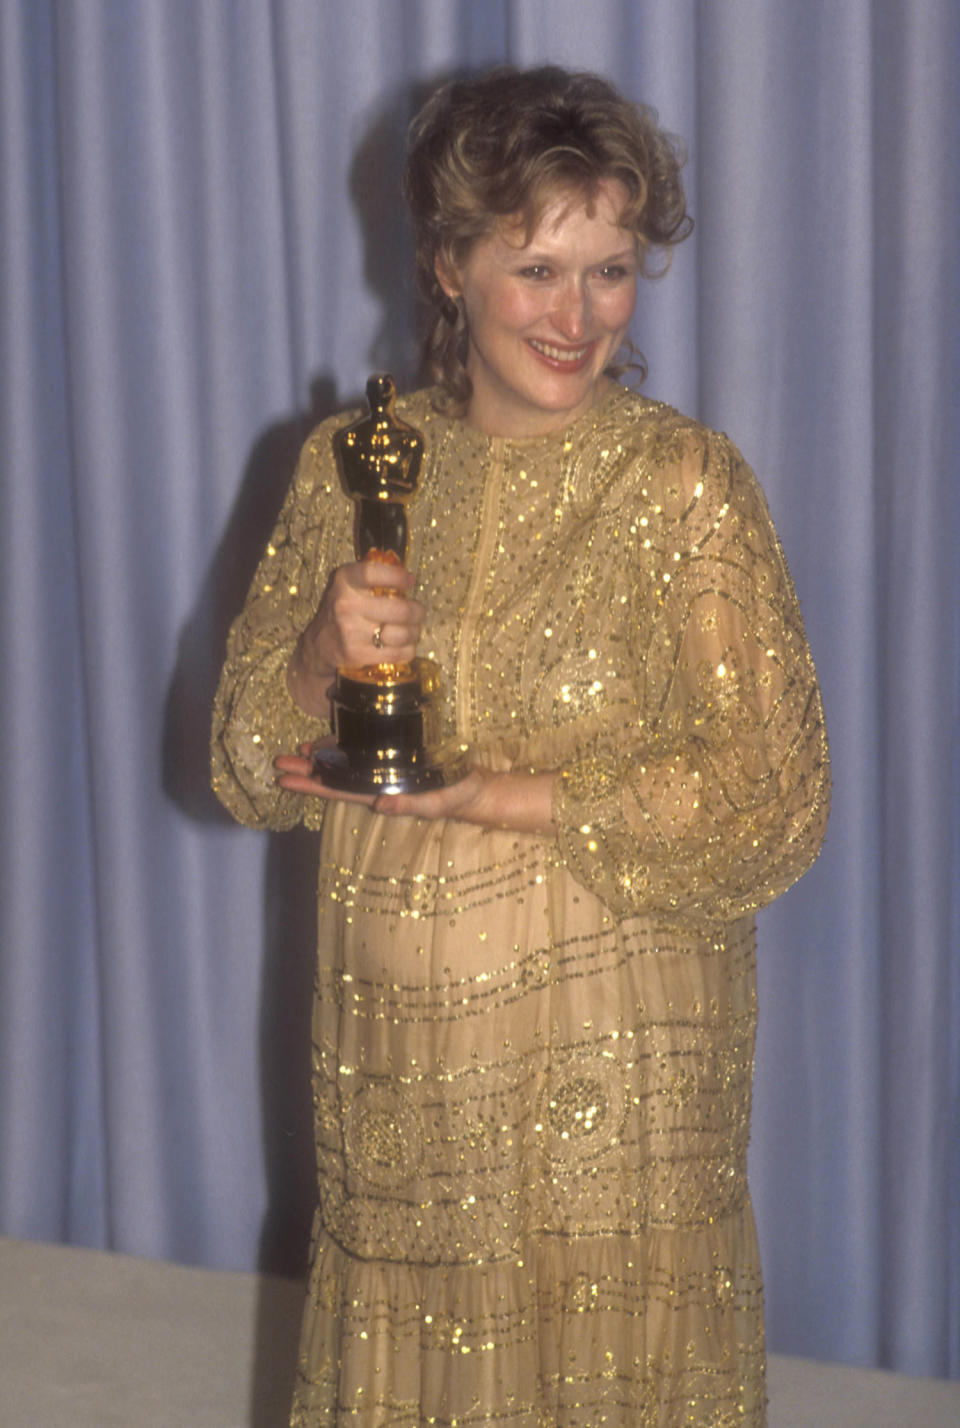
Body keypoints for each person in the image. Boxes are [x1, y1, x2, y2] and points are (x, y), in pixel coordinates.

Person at [211, 65, 829, 1428]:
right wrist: (318, 656)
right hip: (405, 1077)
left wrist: (498, 791)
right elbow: (248, 770)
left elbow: (773, 796)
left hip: (614, 1076)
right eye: (538, 266)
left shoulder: (686, 484)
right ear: (448, 265)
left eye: (611, 270)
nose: (578, 315)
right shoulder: (348, 465)